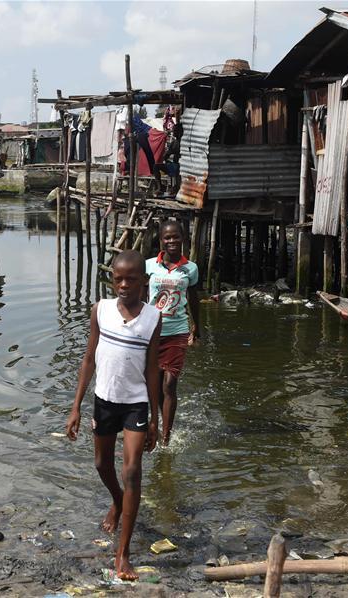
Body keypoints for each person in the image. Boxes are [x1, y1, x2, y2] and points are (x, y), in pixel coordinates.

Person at [66, 249, 161, 581]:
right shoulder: (101, 310)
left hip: (136, 403)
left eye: (130, 280)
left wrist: (154, 418)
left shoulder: (153, 318)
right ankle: (118, 502)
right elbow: (89, 358)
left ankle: (123, 553)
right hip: (105, 400)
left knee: (132, 470)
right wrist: (76, 406)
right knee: (100, 464)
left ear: (143, 281)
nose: (123, 285)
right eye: (117, 279)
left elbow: (152, 369)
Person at [146, 220, 200, 446]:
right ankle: (159, 422)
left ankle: (166, 440)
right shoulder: (149, 265)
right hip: (151, 332)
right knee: (156, 385)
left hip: (177, 331)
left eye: (175, 236)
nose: (172, 241)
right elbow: (139, 297)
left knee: (169, 385)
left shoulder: (191, 268)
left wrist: (197, 326)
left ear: (183, 238)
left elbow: (194, 298)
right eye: (167, 237)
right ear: (161, 240)